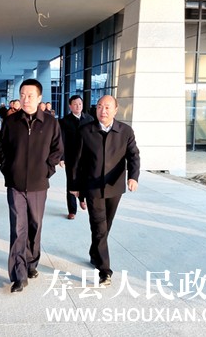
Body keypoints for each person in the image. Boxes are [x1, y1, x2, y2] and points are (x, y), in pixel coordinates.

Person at [0, 79, 63, 293]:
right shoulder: (11, 121)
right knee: (18, 228)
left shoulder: (50, 123)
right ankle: (18, 275)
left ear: (39, 98)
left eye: (30, 95)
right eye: (22, 95)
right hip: (15, 184)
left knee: (35, 225)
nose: (25, 99)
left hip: (38, 185)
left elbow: (57, 150)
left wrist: (46, 171)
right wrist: (8, 169)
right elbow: (1, 148)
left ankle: (32, 261)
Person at [70, 95, 140, 287]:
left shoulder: (125, 131)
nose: (103, 110)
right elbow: (76, 161)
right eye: (100, 106)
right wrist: (74, 186)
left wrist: (133, 177)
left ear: (116, 110)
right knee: (99, 227)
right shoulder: (85, 130)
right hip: (92, 186)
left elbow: (133, 156)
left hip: (114, 186)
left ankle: (95, 252)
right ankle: (104, 271)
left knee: (105, 226)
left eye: (108, 107)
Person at [59, 95, 93, 220]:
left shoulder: (89, 119)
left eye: (80, 104)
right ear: (70, 106)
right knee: (71, 181)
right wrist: (61, 157)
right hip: (71, 156)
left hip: (86, 156)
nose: (78, 106)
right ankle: (72, 210)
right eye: (75, 104)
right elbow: (61, 140)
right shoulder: (64, 121)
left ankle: (82, 199)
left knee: (85, 179)